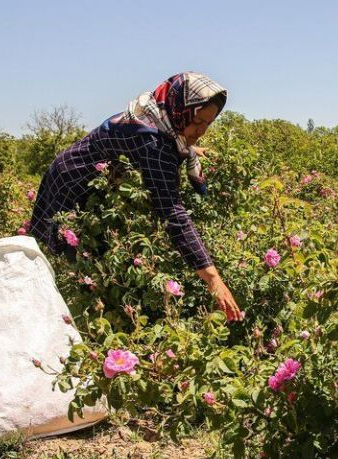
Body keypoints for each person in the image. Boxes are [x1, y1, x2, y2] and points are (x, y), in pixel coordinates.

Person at [28, 72, 244, 322]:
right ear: (180, 110)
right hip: (72, 183)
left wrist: (191, 147)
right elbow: (173, 213)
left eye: (208, 123)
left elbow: (167, 138)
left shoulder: (156, 114)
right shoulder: (151, 141)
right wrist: (213, 279)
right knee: (74, 262)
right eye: (197, 122)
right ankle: (63, 318)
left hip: (79, 173)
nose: (201, 131)